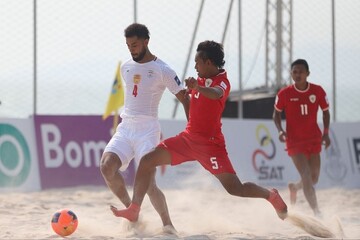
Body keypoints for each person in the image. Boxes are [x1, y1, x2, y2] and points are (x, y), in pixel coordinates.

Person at [110, 40, 288, 224]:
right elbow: (192, 104)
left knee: (236, 189)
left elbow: (216, 93)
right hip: (187, 140)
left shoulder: (222, 82)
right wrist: (191, 92)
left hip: (211, 146)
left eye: (198, 62)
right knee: (147, 161)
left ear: (209, 63)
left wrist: (198, 88)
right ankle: (134, 209)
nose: (195, 66)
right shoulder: (199, 80)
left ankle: (270, 195)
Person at [100, 23, 189, 233]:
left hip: (147, 129)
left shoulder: (163, 70)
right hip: (126, 127)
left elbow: (184, 98)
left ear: (146, 42)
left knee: (149, 184)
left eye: (135, 44)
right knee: (106, 167)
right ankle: (132, 212)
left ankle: (168, 224)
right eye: (128, 45)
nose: (131, 49)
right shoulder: (126, 67)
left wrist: (192, 125)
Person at [273, 59, 331, 216]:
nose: (297, 75)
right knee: (305, 175)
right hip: (294, 142)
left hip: (314, 139)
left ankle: (295, 187)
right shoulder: (284, 93)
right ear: (291, 74)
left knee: (313, 178)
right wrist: (280, 130)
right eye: (294, 72)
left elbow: (325, 112)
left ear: (308, 74)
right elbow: (276, 114)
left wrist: (326, 133)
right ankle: (317, 212)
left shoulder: (318, 91)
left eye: (301, 72)